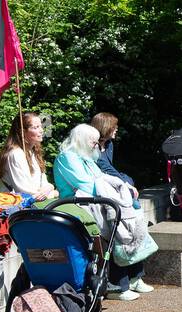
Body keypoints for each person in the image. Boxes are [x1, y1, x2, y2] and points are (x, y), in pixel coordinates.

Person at [54, 123, 146, 301]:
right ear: (81, 140)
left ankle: (127, 279)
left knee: (125, 219)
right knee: (116, 224)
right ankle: (118, 285)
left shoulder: (85, 157)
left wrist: (121, 186)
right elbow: (87, 184)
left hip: (93, 203)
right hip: (76, 205)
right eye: (93, 142)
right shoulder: (67, 157)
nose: (96, 146)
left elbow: (99, 179)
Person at [88, 112, 153, 296]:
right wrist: (127, 181)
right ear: (105, 127)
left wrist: (126, 182)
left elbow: (111, 169)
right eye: (114, 127)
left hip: (116, 193)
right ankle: (120, 283)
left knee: (134, 232)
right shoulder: (91, 147)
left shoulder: (108, 145)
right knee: (122, 236)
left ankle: (135, 277)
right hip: (103, 199)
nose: (116, 130)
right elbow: (104, 170)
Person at [0, 111, 57, 200]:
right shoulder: (15, 154)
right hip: (16, 208)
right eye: (35, 127)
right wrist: (53, 193)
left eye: (40, 126)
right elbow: (25, 192)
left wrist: (50, 187)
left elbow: (44, 184)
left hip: (34, 207)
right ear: (22, 132)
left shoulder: (33, 152)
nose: (41, 130)